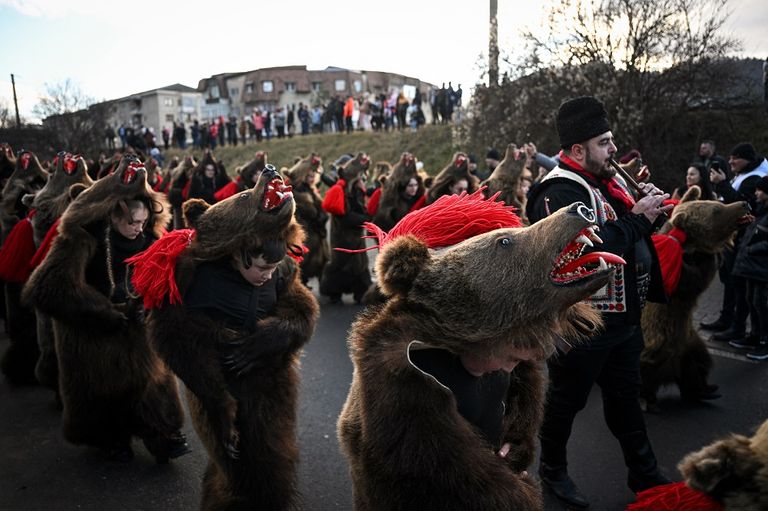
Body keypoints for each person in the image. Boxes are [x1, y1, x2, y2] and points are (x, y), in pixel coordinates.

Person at [131, 165, 319, 508]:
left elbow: (303, 312)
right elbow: (168, 336)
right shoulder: (195, 274)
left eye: (273, 269)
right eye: (261, 267)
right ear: (238, 251)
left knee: (273, 467)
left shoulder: (282, 268)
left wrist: (277, 333)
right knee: (234, 476)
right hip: (218, 388)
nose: (267, 276)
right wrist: (217, 396)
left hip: (270, 384)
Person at [526, 96, 672, 509]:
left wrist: (652, 213)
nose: (612, 151)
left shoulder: (607, 181)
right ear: (577, 150)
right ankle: (552, 471)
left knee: (626, 398)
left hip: (623, 322)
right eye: (604, 143)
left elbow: (633, 233)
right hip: (584, 323)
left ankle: (644, 474)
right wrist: (637, 219)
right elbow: (578, 253)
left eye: (610, 141)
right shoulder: (557, 190)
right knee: (566, 402)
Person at [23, 156, 189, 463]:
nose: (139, 229)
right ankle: (113, 439)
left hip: (137, 325)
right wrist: (102, 312)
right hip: (93, 333)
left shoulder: (150, 236)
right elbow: (46, 288)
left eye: (143, 222)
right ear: (113, 216)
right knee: (106, 391)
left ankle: (161, 434)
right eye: (132, 223)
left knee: (151, 382)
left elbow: (166, 278)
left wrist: (148, 305)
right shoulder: (81, 239)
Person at [709, 143, 768, 345]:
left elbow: (744, 206)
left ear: (748, 159)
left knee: (743, 290)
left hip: (746, 243)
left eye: (736, 158)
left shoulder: (755, 178)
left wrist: (723, 184)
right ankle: (728, 321)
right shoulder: (745, 173)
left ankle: (740, 328)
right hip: (737, 240)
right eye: (730, 157)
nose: (731, 161)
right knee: (731, 283)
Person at [732, 176, 768, 360]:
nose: (756, 193)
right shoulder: (761, 213)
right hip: (753, 269)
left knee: (762, 304)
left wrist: (751, 249)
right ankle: (754, 335)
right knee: (752, 301)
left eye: (759, 190)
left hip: (762, 269)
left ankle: (764, 342)